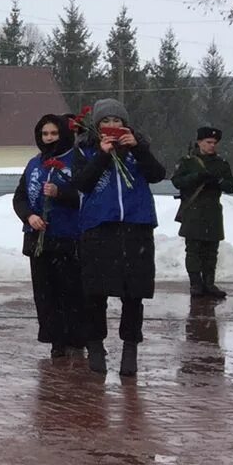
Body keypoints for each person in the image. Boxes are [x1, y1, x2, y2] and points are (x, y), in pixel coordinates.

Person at [71, 98, 166, 377]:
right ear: (97, 126)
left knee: (133, 294)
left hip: (136, 227)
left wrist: (139, 149)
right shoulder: (86, 150)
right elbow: (82, 183)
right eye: (106, 122)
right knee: (95, 293)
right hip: (99, 228)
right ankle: (96, 345)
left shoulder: (137, 147)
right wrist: (102, 155)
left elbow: (157, 175)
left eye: (117, 121)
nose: (112, 126)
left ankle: (130, 348)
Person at [12, 113, 86, 358]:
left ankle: (75, 338)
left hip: (67, 237)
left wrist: (60, 192)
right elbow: (20, 197)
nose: (49, 138)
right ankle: (55, 339)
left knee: (70, 291)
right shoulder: (35, 163)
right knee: (45, 294)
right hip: (38, 238)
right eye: (45, 134)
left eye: (54, 133)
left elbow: (87, 195)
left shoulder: (77, 160)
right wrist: (29, 217)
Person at [171, 125, 233, 299]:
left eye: (214, 143)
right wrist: (196, 177)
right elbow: (177, 181)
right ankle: (195, 284)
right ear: (199, 142)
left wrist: (219, 181)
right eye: (208, 142)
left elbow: (232, 187)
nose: (212, 145)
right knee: (193, 250)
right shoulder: (188, 161)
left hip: (212, 212)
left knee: (211, 252)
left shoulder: (221, 164)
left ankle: (209, 283)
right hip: (193, 211)